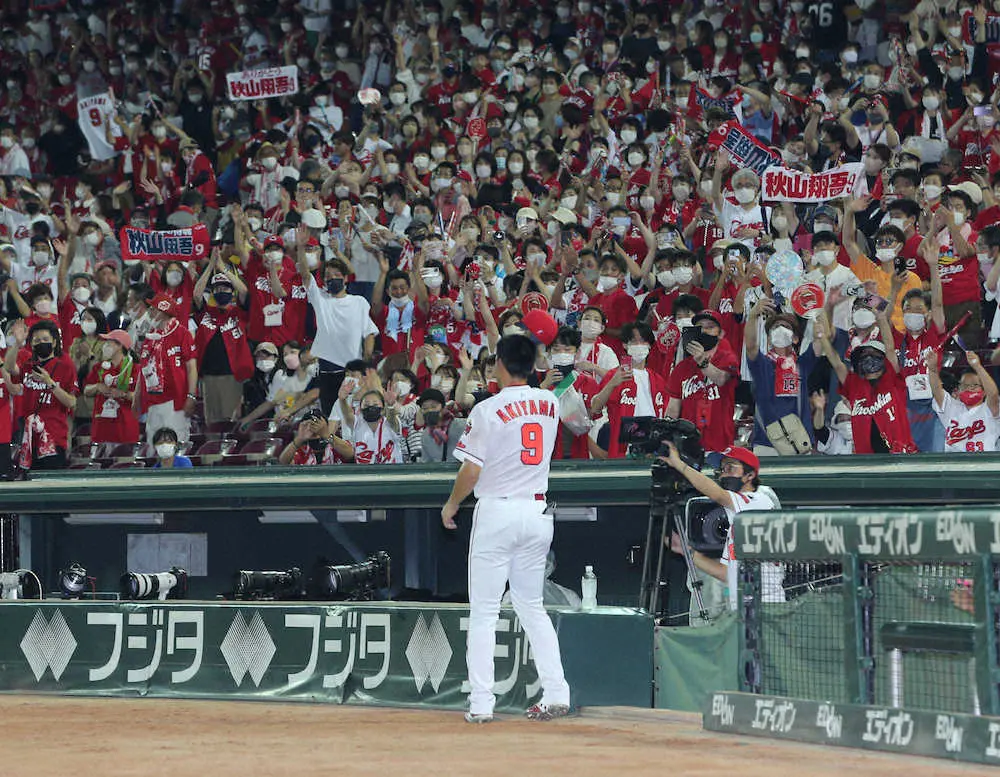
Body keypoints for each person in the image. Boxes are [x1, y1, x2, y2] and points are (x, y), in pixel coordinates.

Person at [441, 333, 571, 724]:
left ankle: (482, 702)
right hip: (536, 512)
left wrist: (451, 504)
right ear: (532, 366)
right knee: (531, 607)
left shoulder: (487, 408)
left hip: (497, 511)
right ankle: (557, 691)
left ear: (499, 364)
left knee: (484, 611)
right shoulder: (549, 402)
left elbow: (472, 468)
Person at [662, 444, 782, 611]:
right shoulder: (738, 519)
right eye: (722, 469)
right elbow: (725, 573)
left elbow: (717, 494)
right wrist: (686, 551)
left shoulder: (759, 500)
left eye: (730, 468)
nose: (724, 474)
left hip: (767, 606)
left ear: (750, 475)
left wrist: (679, 464)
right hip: (743, 609)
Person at [926, 349, 1000, 453]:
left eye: (974, 385)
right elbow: (937, 390)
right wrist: (932, 370)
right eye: (964, 386)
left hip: (984, 465)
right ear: (958, 389)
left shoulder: (989, 409)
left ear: (984, 392)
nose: (969, 388)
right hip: (955, 465)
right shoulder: (952, 408)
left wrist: (978, 367)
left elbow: (993, 394)